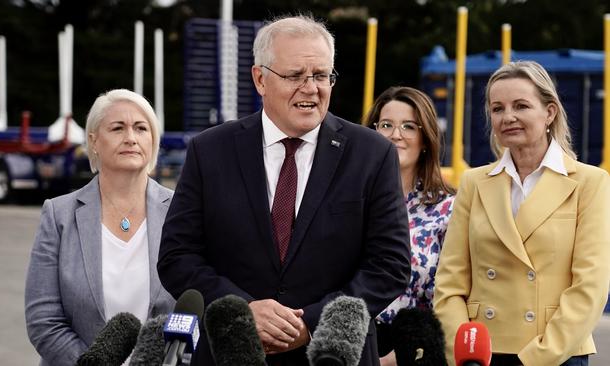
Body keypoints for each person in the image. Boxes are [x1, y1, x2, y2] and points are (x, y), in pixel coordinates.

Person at [158, 15, 411, 366]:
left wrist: (310, 322)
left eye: (321, 75)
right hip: (231, 351)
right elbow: (177, 257)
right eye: (295, 75)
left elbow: (390, 265)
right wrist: (242, 311)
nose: (311, 88)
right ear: (260, 79)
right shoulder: (209, 151)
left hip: (334, 355)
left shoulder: (371, 153)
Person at [433, 61, 610, 366]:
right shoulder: (474, 183)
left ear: (549, 113)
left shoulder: (589, 183)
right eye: (497, 108)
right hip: (482, 357)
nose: (508, 117)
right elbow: (449, 285)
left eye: (521, 106)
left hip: (556, 355)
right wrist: (463, 350)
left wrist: (537, 358)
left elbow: (590, 287)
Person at [24, 89, 175, 366]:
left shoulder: (181, 211)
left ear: (152, 140)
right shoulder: (58, 214)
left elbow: (198, 310)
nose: (131, 137)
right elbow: (43, 321)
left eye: (141, 128)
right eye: (118, 128)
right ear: (93, 141)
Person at [367, 86, 455, 366]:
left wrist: (397, 358)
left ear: (426, 138)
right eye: (386, 125)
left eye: (408, 126)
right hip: (357, 345)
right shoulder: (348, 202)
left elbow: (456, 294)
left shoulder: (449, 209)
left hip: (418, 349)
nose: (396, 135)